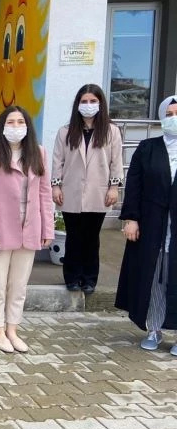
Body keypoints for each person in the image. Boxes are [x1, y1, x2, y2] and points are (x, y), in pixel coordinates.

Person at [0, 105, 54, 353]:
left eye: (20, 122)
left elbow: (45, 193)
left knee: (19, 285)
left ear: (28, 126)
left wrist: (47, 228)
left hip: (29, 227)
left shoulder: (38, 153)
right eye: (10, 122)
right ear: (2, 126)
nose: (16, 127)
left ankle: (12, 329)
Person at [116, 95, 177, 354]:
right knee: (154, 275)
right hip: (153, 223)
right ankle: (154, 328)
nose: (174, 119)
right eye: (169, 115)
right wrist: (131, 218)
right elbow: (134, 185)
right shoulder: (147, 148)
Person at [51, 84, 123, 294]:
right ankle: (72, 278)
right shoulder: (65, 132)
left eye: (93, 101)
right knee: (73, 236)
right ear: (77, 104)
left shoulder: (111, 131)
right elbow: (57, 161)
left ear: (100, 104)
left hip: (98, 193)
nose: (88, 105)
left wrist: (114, 187)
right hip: (71, 191)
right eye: (84, 101)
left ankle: (89, 279)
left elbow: (116, 162)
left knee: (92, 238)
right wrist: (56, 186)